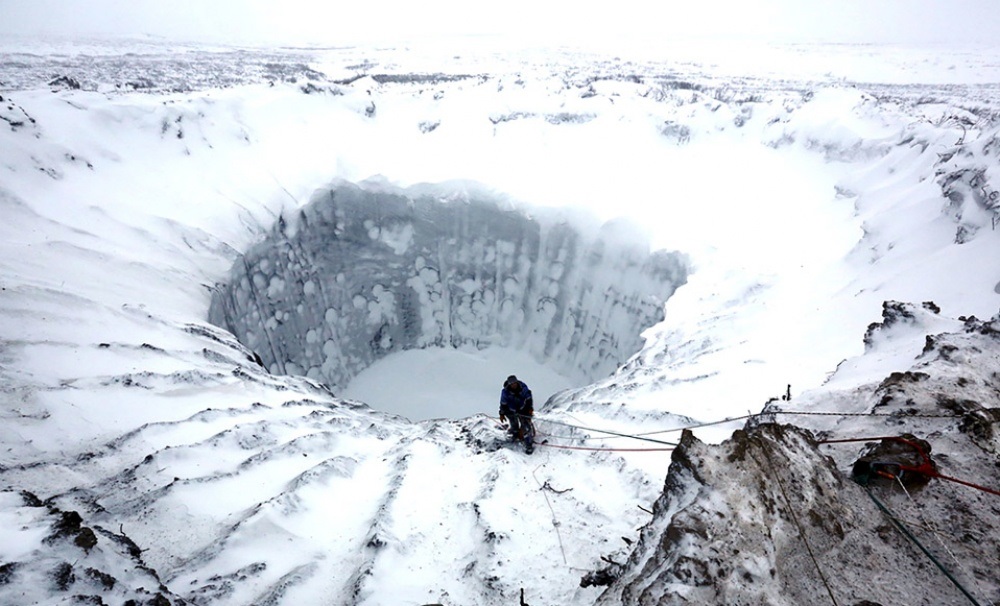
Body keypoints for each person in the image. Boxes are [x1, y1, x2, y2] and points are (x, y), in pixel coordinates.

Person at [499, 375, 534, 454]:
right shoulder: (505, 392)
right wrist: (501, 413)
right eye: (512, 384)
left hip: (523, 409)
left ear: (517, 382)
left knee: (525, 425)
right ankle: (515, 433)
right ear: (509, 384)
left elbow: (528, 399)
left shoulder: (523, 388)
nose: (513, 385)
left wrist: (530, 409)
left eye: (515, 383)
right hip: (511, 410)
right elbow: (503, 403)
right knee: (513, 422)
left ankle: (528, 444)